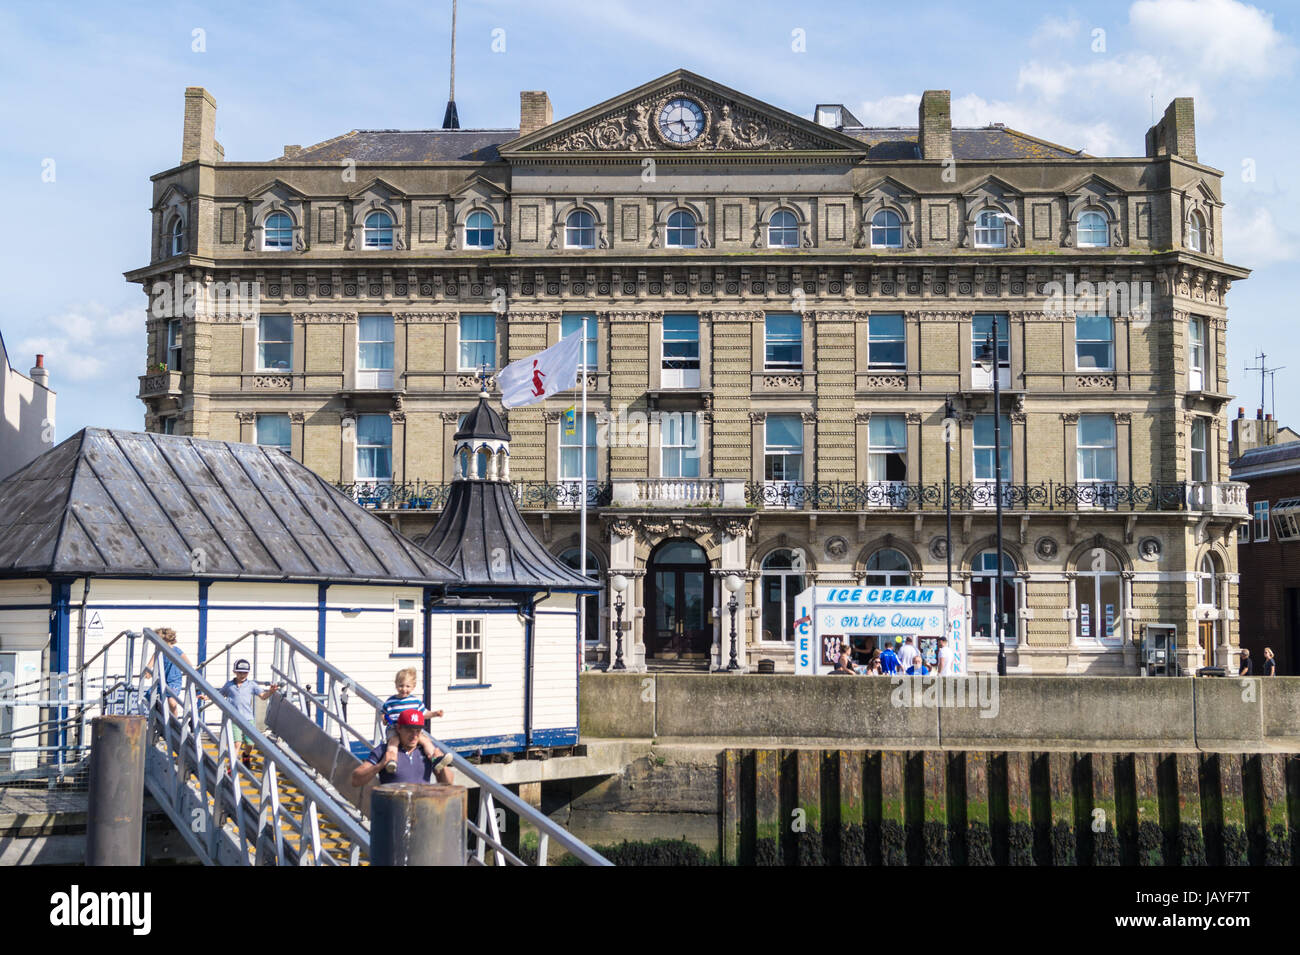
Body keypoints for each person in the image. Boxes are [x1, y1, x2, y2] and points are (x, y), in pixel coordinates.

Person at [351, 710, 454, 788]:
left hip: (421, 810)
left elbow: (448, 783)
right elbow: (356, 780)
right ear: (399, 728)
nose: (414, 736)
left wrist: (443, 766)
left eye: (418, 731)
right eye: (410, 730)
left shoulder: (427, 751)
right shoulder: (384, 750)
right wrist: (381, 765)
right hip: (393, 812)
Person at [381, 667, 445, 771]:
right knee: (393, 741)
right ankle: (391, 760)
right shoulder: (390, 701)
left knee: (425, 740)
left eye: (407, 686)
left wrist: (435, 714)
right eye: (401, 686)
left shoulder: (415, 701)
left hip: (412, 729)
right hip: (395, 728)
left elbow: (424, 713)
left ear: (413, 687)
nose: (404, 689)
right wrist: (384, 719)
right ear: (396, 685)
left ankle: (434, 758)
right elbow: (384, 713)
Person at [219, 659, 280, 767]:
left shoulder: (251, 685)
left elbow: (262, 696)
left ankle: (246, 755)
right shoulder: (229, 685)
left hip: (248, 718)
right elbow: (219, 695)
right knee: (236, 743)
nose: (242, 675)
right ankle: (230, 767)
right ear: (234, 672)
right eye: (239, 672)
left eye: (245, 673)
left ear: (248, 673)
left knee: (250, 743)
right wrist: (206, 697)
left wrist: (270, 692)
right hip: (234, 718)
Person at [142, 627, 191, 717]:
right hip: (161, 681)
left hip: (174, 680)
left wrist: (189, 670)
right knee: (149, 696)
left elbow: (188, 663)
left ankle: (175, 722)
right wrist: (148, 671)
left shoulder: (177, 651)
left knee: (172, 702)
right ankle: (161, 716)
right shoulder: (158, 651)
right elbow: (150, 664)